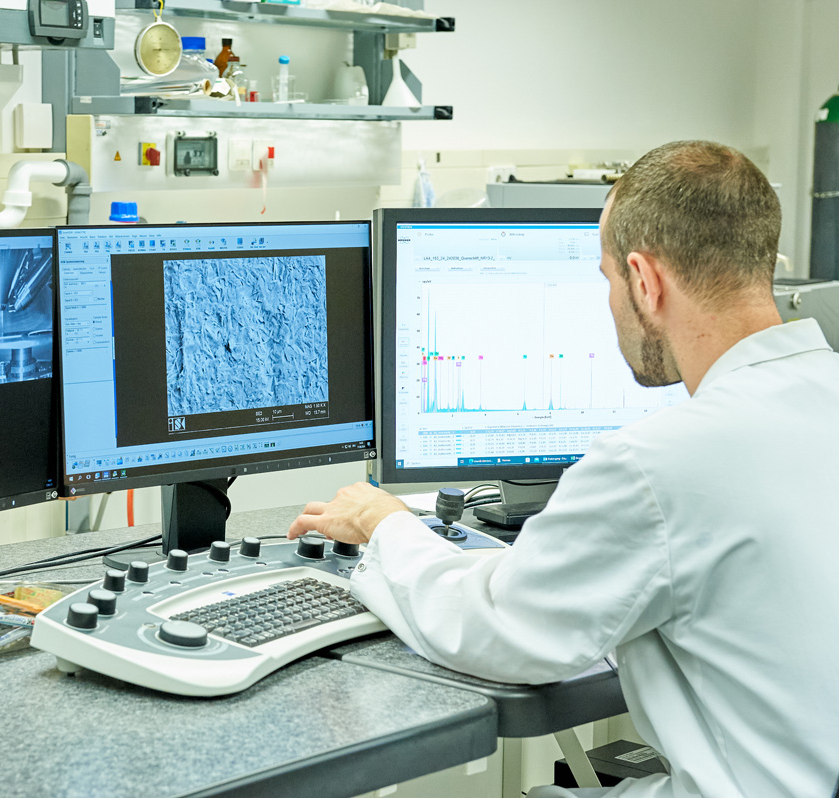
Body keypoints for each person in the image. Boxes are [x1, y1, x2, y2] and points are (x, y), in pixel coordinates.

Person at [290, 141, 839, 798]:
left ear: (644, 280)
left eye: (606, 279)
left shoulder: (661, 462)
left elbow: (499, 628)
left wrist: (386, 524)